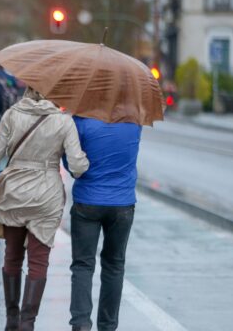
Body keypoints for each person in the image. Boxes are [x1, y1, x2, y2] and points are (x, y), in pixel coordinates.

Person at [0, 88, 89, 331]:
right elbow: (77, 165)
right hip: (46, 195)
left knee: (12, 254)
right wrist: (84, 162)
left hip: (15, 191)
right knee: (38, 261)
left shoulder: (12, 114)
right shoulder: (63, 121)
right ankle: (27, 323)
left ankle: (11, 319)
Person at [66, 116, 142, 331]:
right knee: (114, 265)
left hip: (87, 201)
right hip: (123, 203)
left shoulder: (80, 122)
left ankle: (81, 323)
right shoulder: (134, 123)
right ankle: (108, 326)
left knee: (82, 265)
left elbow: (72, 165)